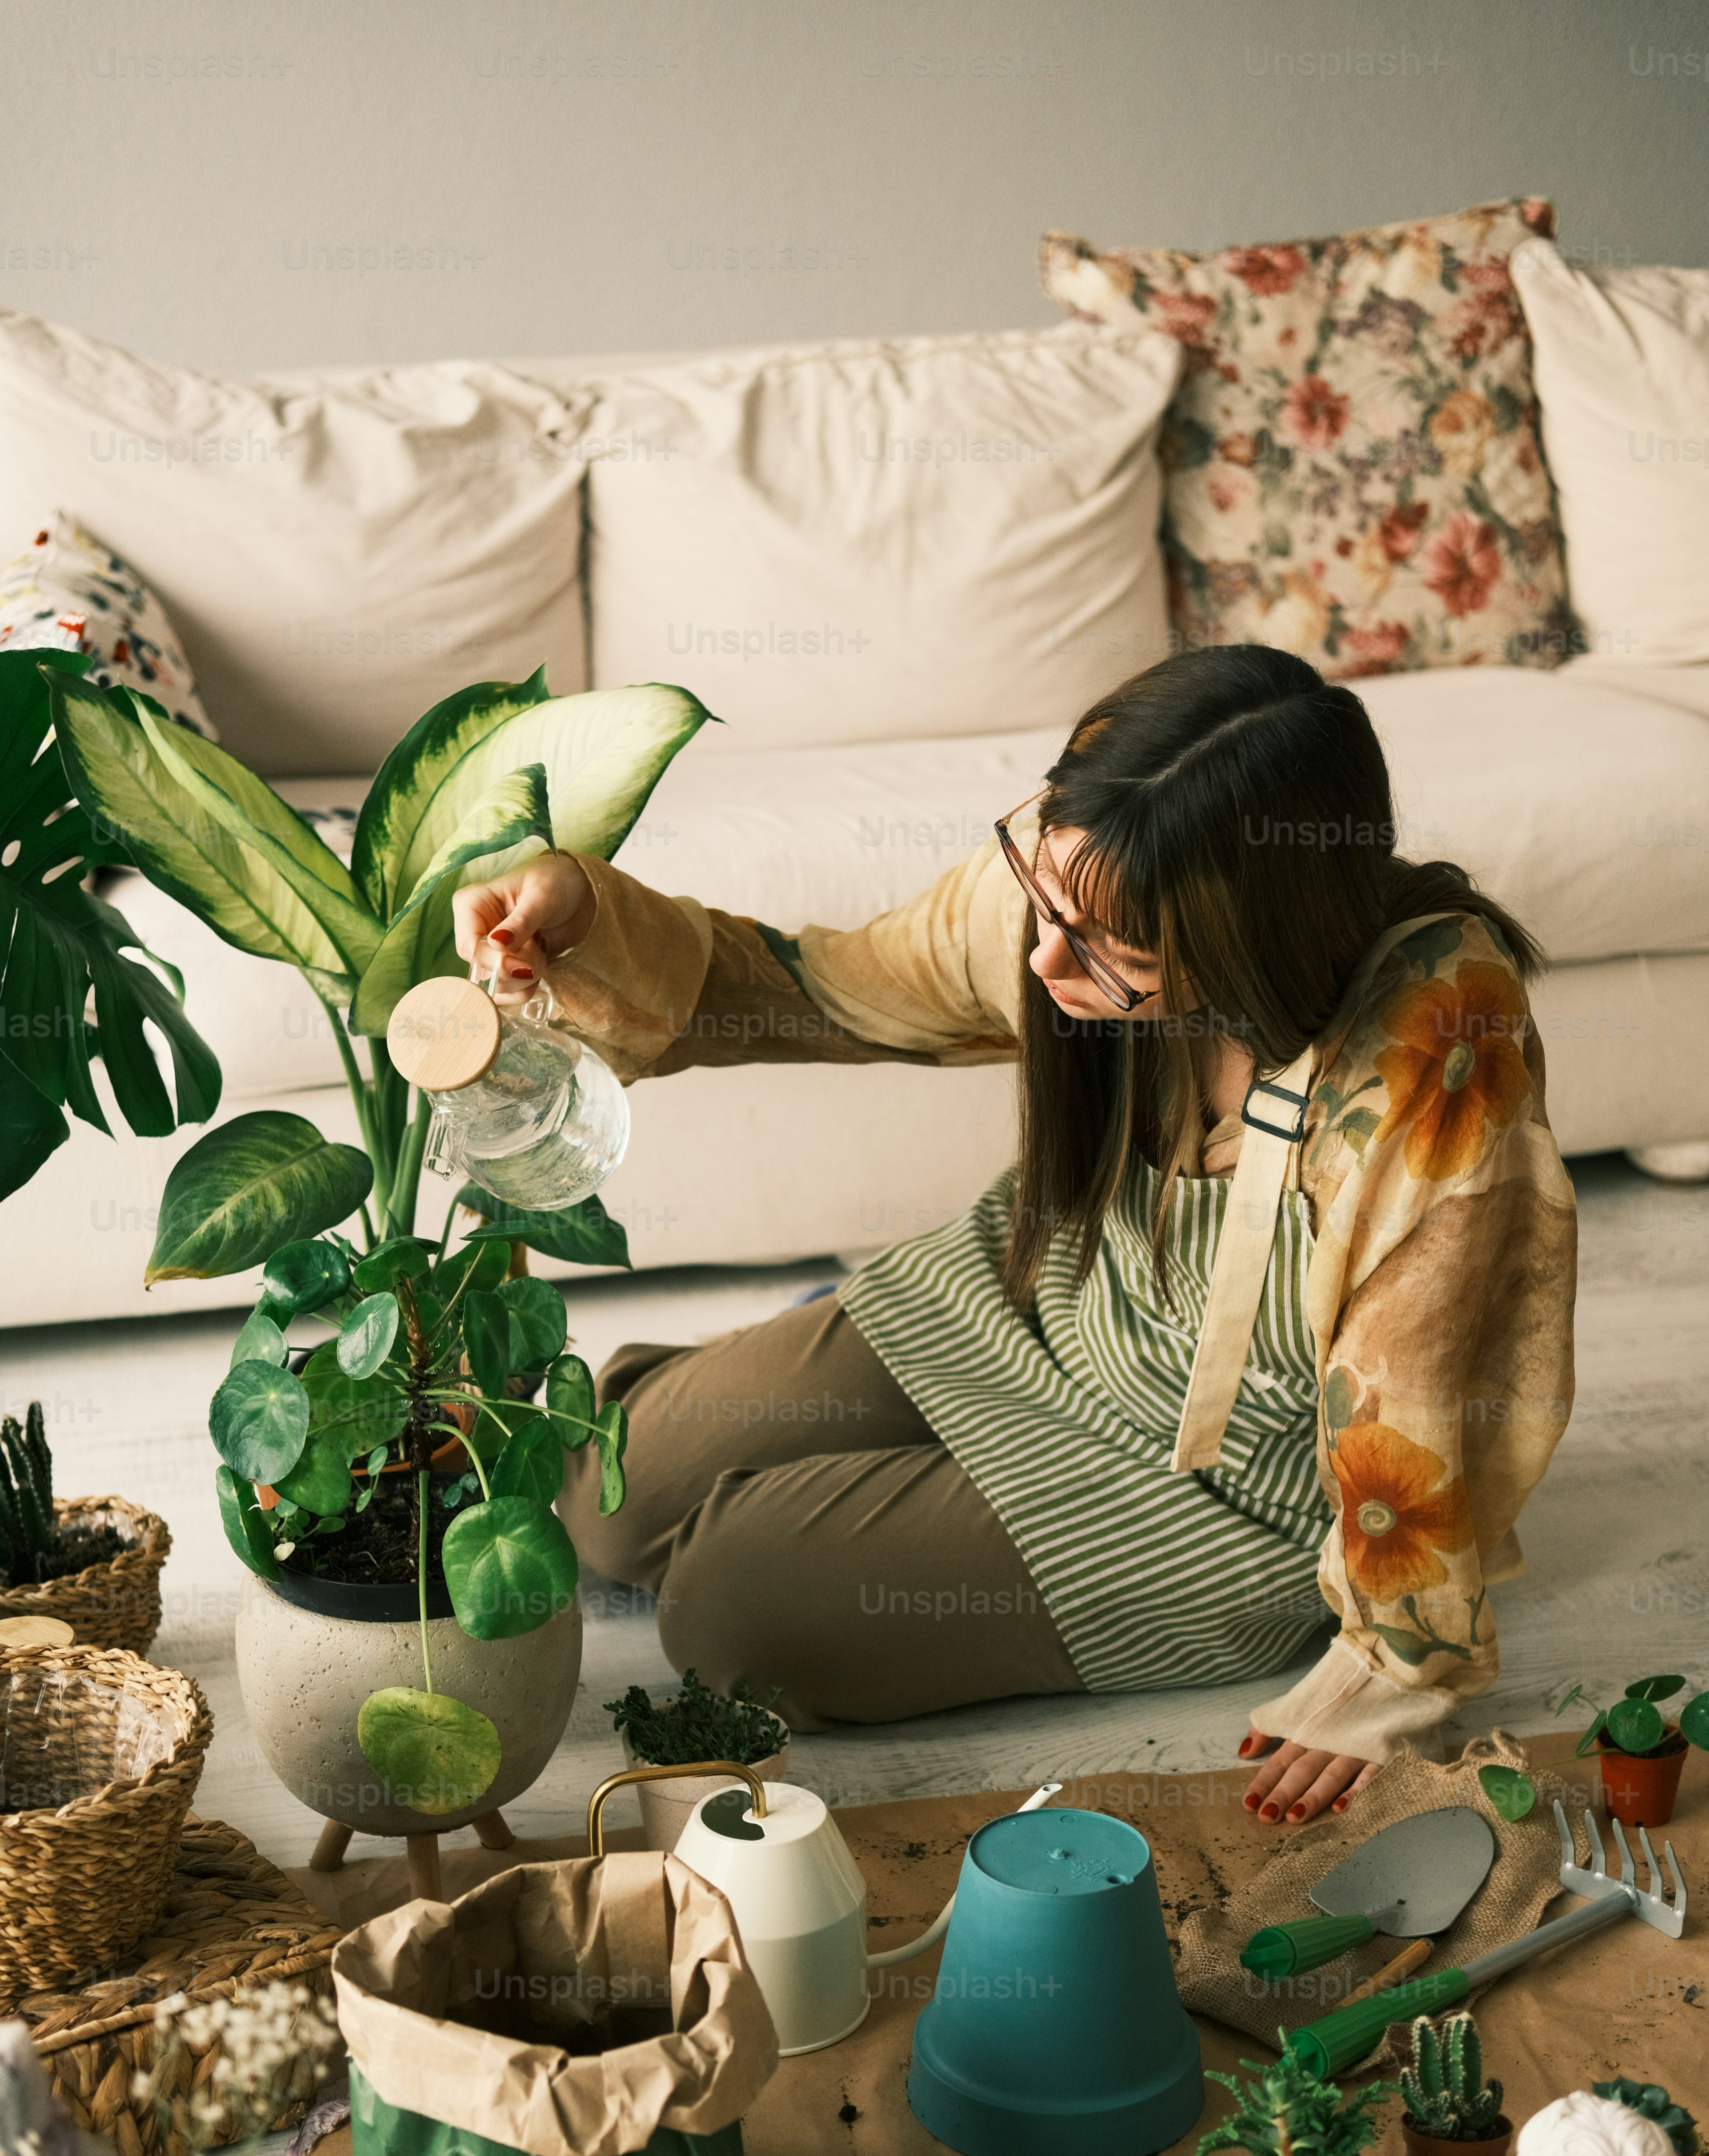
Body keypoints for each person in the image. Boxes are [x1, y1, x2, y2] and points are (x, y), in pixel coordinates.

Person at [452, 645, 1576, 1826]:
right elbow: (827, 987)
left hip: (1215, 1481)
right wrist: (585, 919)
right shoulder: (1083, 881)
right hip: (1042, 1289)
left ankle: (810, 1482)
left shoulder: (1432, 1056)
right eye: (1044, 906)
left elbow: (1428, 1385)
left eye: (1110, 958)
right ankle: (782, 1439)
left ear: (1253, 936)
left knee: (725, 1614)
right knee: (610, 1498)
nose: (1045, 964)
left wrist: (1393, 1667)